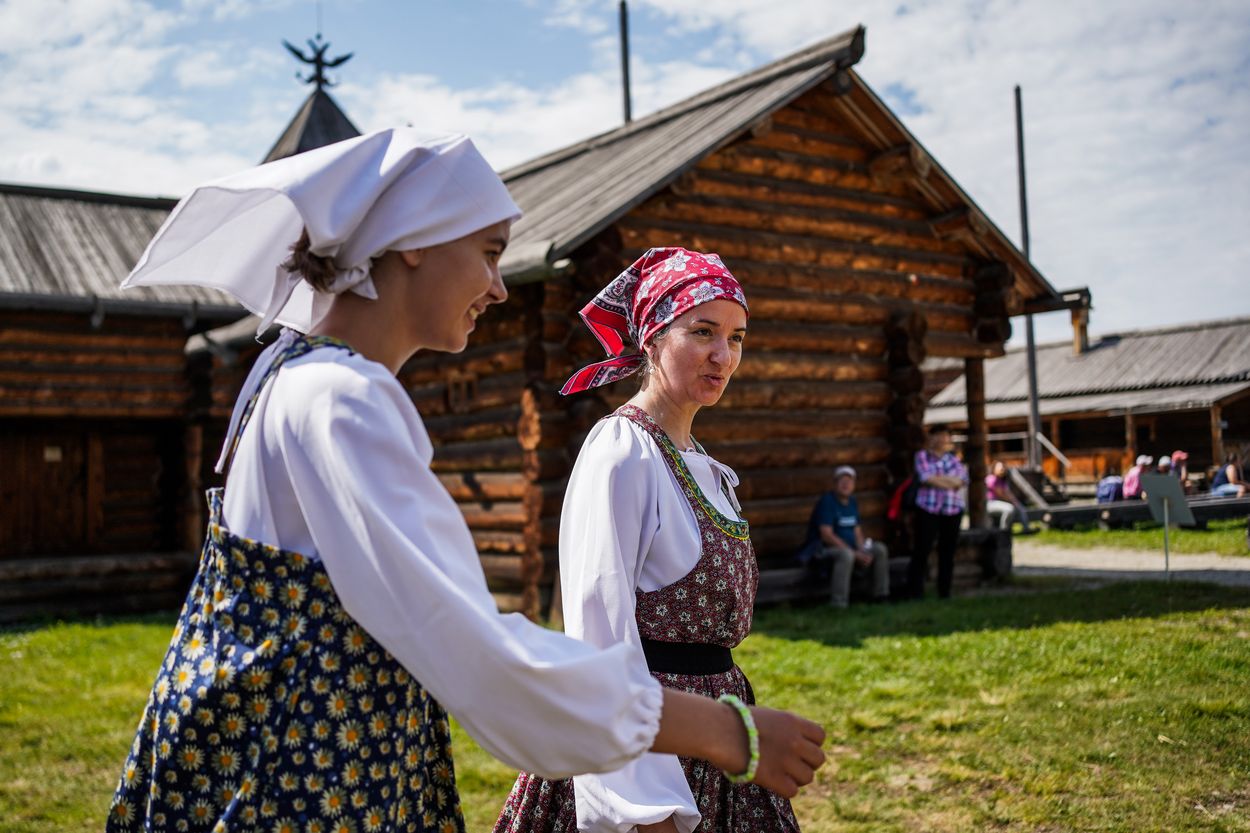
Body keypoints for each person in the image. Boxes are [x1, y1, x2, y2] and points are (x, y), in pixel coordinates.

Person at [105, 132, 824, 832]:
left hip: (283, 761)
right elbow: (478, 657)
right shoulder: (339, 398)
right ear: (415, 239)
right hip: (300, 787)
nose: (500, 287)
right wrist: (725, 731)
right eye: (489, 253)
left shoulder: (287, 374)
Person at [495, 249, 810, 833]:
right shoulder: (623, 453)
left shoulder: (703, 465)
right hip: (647, 754)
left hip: (716, 741)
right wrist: (645, 809)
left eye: (736, 338)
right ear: (652, 339)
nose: (723, 355)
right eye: (703, 332)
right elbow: (598, 638)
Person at [797, 465, 890, 607]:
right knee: (846, 555)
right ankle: (839, 603)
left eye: (849, 481)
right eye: (842, 481)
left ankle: (880, 595)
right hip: (822, 550)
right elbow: (827, 535)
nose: (846, 484)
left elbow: (857, 532)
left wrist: (862, 550)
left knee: (879, 549)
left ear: (854, 485)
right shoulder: (827, 502)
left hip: (851, 548)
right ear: (835, 484)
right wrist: (855, 553)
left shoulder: (852, 502)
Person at [908, 424, 968, 599]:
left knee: (947, 552)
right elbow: (926, 478)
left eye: (945, 435)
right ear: (931, 438)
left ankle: (944, 592)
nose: (942, 438)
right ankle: (916, 593)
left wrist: (938, 479)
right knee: (922, 550)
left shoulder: (954, 459)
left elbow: (961, 481)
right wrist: (949, 481)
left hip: (952, 509)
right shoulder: (922, 456)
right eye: (938, 435)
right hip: (928, 508)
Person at [985, 460, 1030, 531]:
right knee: (1009, 509)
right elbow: (1000, 494)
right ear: (994, 469)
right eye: (1000, 467)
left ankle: (1026, 528)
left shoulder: (1002, 480)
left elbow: (1007, 493)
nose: (1002, 469)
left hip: (999, 502)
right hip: (990, 503)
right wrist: (1012, 501)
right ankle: (1004, 530)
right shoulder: (991, 479)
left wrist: (1015, 502)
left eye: (1003, 467)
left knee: (1020, 508)